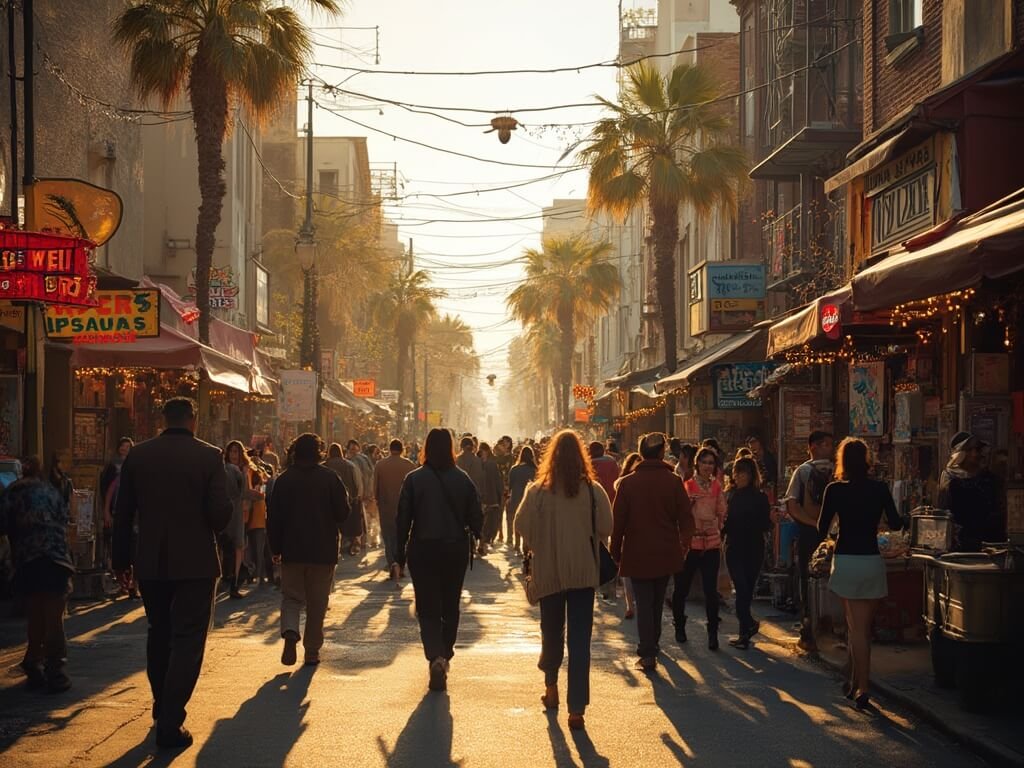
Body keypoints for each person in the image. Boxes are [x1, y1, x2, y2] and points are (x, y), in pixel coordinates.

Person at [113, 397, 232, 750]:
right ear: (193, 420)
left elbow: (123, 514)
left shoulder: (139, 455)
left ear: (163, 419)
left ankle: (160, 704)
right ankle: (170, 717)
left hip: (151, 560)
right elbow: (219, 515)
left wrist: (121, 561)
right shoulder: (209, 456)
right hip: (196, 562)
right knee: (188, 639)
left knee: (158, 633)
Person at [514, 429, 613, 731]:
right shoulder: (593, 490)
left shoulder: (537, 491)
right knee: (580, 641)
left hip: (549, 573)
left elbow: (520, 526)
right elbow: (607, 527)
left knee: (551, 633)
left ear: (551, 457)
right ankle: (577, 710)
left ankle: (550, 686)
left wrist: (541, 538)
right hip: (584, 574)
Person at [818, 437, 902, 709]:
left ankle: (863, 687)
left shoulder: (834, 490)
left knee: (856, 629)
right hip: (871, 561)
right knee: (862, 629)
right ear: (867, 461)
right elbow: (897, 522)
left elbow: (822, 527)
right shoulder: (879, 489)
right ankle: (855, 682)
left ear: (842, 461)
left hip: (846, 560)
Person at [396, 428, 483, 692]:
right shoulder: (463, 479)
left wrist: (397, 555)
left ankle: (434, 654)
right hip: (454, 549)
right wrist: (476, 535)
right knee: (450, 604)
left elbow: (402, 520)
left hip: (423, 548)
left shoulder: (413, 479)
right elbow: (476, 518)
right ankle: (445, 652)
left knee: (427, 605)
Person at [611, 433, 693, 671]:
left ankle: (648, 651)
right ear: (660, 453)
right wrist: (683, 545)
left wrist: (615, 553)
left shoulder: (627, 484)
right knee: (656, 602)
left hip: (637, 553)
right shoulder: (673, 481)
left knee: (645, 603)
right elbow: (686, 519)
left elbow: (618, 524)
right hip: (667, 551)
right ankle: (651, 645)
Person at [268, 433, 350, 667]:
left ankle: (291, 631)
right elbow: (343, 513)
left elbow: (273, 518)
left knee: (292, 598)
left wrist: (275, 548)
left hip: (292, 550)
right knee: (317, 603)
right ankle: (312, 650)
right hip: (323, 551)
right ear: (319, 453)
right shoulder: (330, 478)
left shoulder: (284, 480)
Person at [0, 456, 75, 693]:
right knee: (53, 617)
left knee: (36, 614)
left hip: (28, 560)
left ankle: (36, 662)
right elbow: (65, 519)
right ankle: (54, 668)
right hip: (56, 559)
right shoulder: (50, 492)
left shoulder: (12, 492)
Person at [784, 430, 835, 651]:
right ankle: (818, 623)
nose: (829, 449)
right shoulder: (812, 471)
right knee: (819, 575)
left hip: (811, 530)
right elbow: (792, 503)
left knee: (810, 576)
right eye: (825, 444)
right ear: (813, 446)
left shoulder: (804, 472)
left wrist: (812, 523)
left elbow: (792, 505)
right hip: (827, 532)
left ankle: (812, 624)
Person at [675, 446, 727, 650]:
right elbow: (679, 514)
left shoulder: (716, 487)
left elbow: (722, 512)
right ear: (697, 464)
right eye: (704, 462)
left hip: (711, 543)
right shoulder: (687, 486)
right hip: (690, 545)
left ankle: (712, 632)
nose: (708, 466)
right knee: (682, 588)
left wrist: (718, 526)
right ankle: (679, 625)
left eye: (711, 463)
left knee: (710, 591)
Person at [722, 457, 772, 649]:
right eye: (736, 472)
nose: (738, 476)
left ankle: (744, 635)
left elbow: (765, 525)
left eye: (742, 472)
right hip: (734, 548)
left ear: (751, 474)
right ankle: (750, 624)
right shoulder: (730, 496)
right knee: (741, 589)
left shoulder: (760, 497)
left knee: (747, 592)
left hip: (754, 548)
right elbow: (724, 523)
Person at [937, 432, 1006, 551]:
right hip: (960, 547)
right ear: (961, 453)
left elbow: (998, 512)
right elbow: (944, 512)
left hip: (989, 546)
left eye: (978, 449)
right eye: (971, 450)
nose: (976, 454)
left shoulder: (989, 479)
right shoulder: (949, 478)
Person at [374, 438, 416, 584]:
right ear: (402, 449)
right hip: (405, 507)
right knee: (403, 536)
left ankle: (392, 562)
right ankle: (401, 564)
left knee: (388, 536)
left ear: (389, 449)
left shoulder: (380, 465)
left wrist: (377, 501)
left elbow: (375, 489)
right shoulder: (409, 466)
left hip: (386, 507)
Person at [224, 440, 262, 599]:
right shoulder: (223, 469)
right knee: (227, 548)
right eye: (231, 452)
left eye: (236, 452)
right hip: (225, 514)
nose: (233, 455)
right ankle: (228, 577)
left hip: (241, 515)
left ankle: (235, 581)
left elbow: (246, 492)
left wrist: (256, 496)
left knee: (239, 547)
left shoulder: (245, 470)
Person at [613, 452, 644, 620]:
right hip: (628, 533)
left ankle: (637, 602)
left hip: (642, 534)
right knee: (627, 574)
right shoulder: (623, 484)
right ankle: (630, 604)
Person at [99, 437, 133, 567]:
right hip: (114, 507)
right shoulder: (113, 465)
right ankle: (111, 566)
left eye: (128, 446)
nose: (124, 449)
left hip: (127, 510)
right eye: (123, 446)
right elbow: (107, 487)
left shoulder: (133, 465)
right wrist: (106, 510)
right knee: (112, 539)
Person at [245, 450, 270, 588]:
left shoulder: (259, 476)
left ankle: (258, 575)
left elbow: (262, 493)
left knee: (256, 548)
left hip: (256, 517)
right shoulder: (250, 475)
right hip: (253, 517)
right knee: (255, 548)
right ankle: (257, 575)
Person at [507, 445, 537, 554]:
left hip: (515, 497)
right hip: (529, 500)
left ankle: (517, 543)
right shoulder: (534, 470)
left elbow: (509, 485)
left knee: (517, 520)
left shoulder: (514, 469)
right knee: (527, 521)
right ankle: (525, 543)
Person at [344, 440, 372, 555]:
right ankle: (359, 540)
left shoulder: (361, 460)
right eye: (351, 450)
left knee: (360, 517)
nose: (353, 452)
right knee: (359, 517)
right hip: (356, 494)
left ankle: (359, 540)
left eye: (355, 449)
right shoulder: (350, 461)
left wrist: (366, 492)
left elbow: (369, 475)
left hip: (360, 494)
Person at [478, 442, 503, 553]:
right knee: (485, 522)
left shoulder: (491, 464)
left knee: (487, 522)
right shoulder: (481, 463)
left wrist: (498, 494)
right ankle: (482, 543)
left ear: (486, 451)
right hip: (485, 497)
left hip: (490, 497)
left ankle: (482, 544)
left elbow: (496, 481)